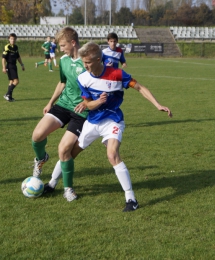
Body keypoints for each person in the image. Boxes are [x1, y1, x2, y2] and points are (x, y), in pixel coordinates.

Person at [74, 42, 172, 212]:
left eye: (88, 62)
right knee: (70, 153)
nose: (85, 66)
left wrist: (157, 104)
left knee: (112, 155)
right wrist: (93, 103)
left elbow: (139, 87)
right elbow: (87, 104)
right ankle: (52, 183)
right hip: (92, 121)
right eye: (83, 62)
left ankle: (131, 199)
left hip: (113, 119)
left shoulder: (117, 74)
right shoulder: (83, 78)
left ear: (98, 59)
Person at [31, 27, 88, 202]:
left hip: (81, 111)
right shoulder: (63, 61)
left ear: (73, 43)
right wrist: (50, 102)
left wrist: (89, 102)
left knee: (64, 149)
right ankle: (41, 159)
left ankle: (68, 188)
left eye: (63, 45)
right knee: (37, 135)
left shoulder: (88, 61)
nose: (60, 49)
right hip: (63, 105)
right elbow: (62, 83)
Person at [2, 33, 25, 102]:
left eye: (14, 39)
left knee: (11, 81)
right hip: (9, 65)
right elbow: (3, 58)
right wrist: (3, 67)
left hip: (14, 65)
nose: (13, 40)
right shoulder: (7, 47)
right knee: (16, 81)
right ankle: (7, 94)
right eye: (11, 39)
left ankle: (9, 97)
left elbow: (18, 57)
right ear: (9, 39)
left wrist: (22, 64)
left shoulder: (16, 47)